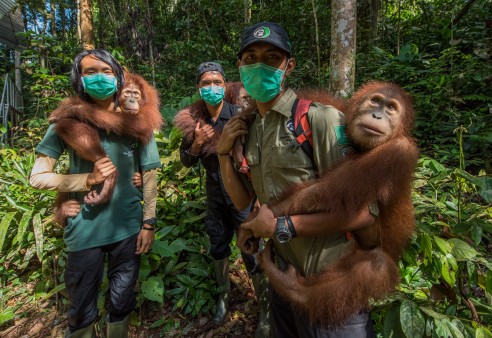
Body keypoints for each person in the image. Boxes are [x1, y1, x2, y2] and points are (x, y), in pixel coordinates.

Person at [217, 22, 378, 337]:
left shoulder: (319, 118)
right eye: (250, 58)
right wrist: (223, 154)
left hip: (332, 284)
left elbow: (363, 212)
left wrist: (282, 227)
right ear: (239, 66)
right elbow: (245, 201)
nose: (258, 65)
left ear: (288, 66)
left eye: (271, 57)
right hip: (284, 280)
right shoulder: (250, 127)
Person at [30, 49, 161, 338]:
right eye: (90, 72)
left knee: (122, 299)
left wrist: (149, 223)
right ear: (80, 79)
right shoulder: (69, 118)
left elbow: (149, 175)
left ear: (118, 77)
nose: (100, 78)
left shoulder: (137, 119)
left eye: (107, 71)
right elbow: (38, 177)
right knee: (81, 306)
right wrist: (84, 180)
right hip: (84, 230)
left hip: (127, 227)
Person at [173, 62, 269, 337]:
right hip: (214, 196)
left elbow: (258, 158)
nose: (211, 87)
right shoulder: (196, 120)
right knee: (218, 245)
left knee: (251, 247)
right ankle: (223, 299)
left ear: (225, 85)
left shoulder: (239, 116)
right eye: (205, 83)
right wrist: (197, 142)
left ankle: (264, 311)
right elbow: (186, 161)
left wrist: (261, 199)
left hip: (242, 197)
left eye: (217, 81)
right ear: (198, 88)